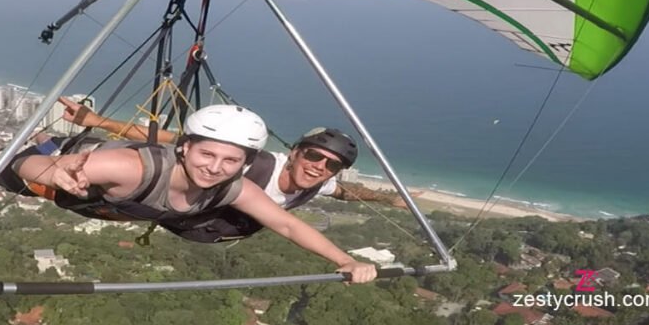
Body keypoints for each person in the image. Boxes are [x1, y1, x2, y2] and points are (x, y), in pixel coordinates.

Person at [0, 104, 377, 283]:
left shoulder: (235, 185)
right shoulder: (132, 168)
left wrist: (345, 260)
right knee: (8, 170)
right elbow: (38, 170)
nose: (216, 168)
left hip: (122, 207)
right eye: (207, 155)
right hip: (92, 182)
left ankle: (43, 141)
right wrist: (53, 173)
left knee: (42, 165)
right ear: (185, 149)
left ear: (243, 164)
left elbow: (285, 222)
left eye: (230, 161)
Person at [56, 97, 417, 242]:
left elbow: (348, 193)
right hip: (176, 213)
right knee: (81, 187)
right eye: (313, 157)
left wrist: (392, 201)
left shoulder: (317, 184)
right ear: (294, 153)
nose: (319, 167)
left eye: (331, 165)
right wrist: (99, 121)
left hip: (209, 231)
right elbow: (174, 139)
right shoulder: (251, 163)